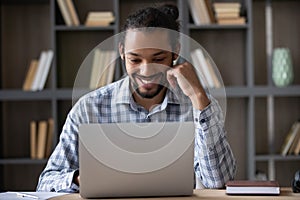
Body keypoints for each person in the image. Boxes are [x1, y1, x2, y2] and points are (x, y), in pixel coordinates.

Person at [36, 4, 236, 192]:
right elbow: (46, 183)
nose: (147, 70)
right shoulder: (89, 108)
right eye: (135, 59)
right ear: (122, 52)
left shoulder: (200, 106)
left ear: (176, 51)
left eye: (158, 59)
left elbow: (218, 183)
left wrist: (198, 96)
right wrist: (85, 178)